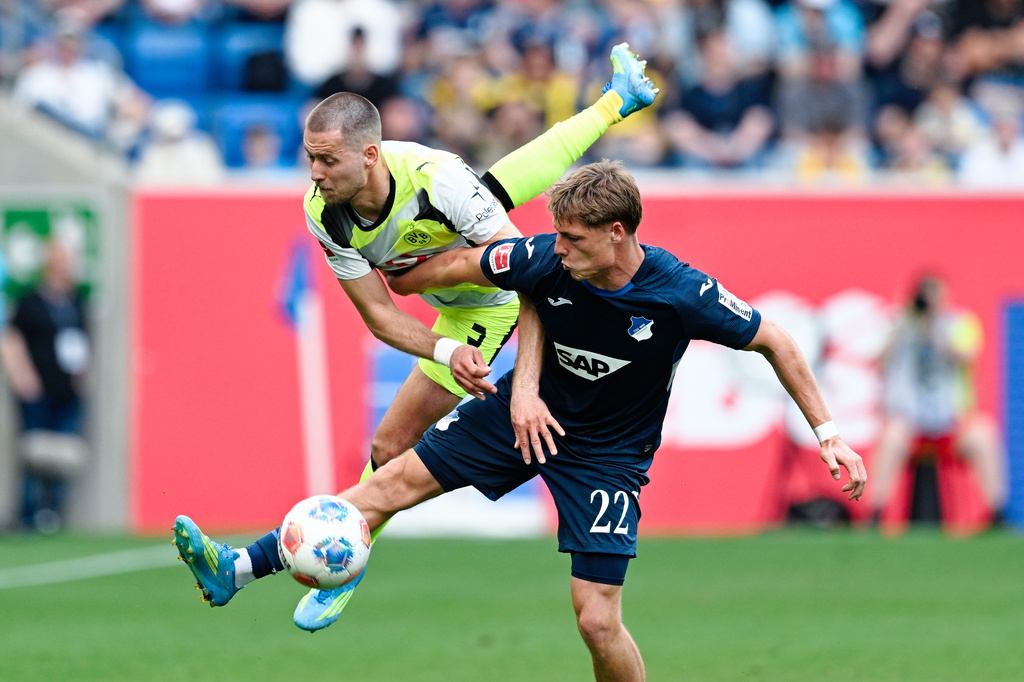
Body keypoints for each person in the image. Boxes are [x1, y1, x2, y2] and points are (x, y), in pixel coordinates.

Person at [173, 44, 659, 631]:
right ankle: (617, 99)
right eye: (310, 158)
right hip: (452, 306)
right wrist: (445, 350)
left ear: (370, 154)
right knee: (388, 449)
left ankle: (298, 566)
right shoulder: (324, 211)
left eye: (326, 160)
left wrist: (517, 373)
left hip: (493, 299)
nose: (314, 173)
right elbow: (379, 315)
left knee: (390, 444)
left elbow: (533, 275)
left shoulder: (438, 182)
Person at [336, 160, 864, 679]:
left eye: (572, 238)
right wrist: (388, 264)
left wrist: (830, 435)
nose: (559, 247)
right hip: (526, 414)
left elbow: (776, 340)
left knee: (596, 621)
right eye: (557, 235)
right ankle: (252, 564)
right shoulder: (546, 257)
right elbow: (453, 268)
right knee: (393, 476)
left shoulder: (681, 291)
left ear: (616, 232)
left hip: (608, 457)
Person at [868, 274, 1006, 526]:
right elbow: (878, 360)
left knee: (985, 434)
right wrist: (903, 322)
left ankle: (997, 512)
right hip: (910, 423)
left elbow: (963, 356)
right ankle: (876, 513)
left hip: (950, 422)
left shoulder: (959, 323)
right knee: (890, 438)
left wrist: (933, 326)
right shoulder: (900, 324)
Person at [0, 239, 90, 533]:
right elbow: (12, 339)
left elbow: (82, 342)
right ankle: (29, 514)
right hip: (37, 390)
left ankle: (53, 513)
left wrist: (83, 376)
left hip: (67, 390)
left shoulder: (76, 301)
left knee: (63, 454)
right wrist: (23, 378)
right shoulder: (31, 301)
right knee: (34, 453)